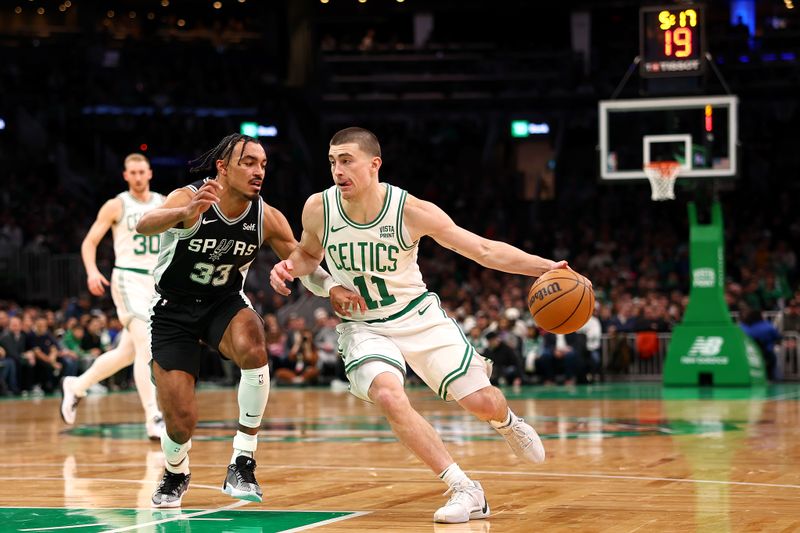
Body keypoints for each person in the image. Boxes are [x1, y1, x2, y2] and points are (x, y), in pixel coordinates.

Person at [270, 127, 576, 524]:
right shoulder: (318, 208)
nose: (337, 170)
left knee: (483, 402)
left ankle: (508, 422)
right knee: (389, 395)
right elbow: (308, 256)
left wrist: (545, 267)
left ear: (374, 164)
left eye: (346, 160)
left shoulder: (409, 210)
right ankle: (465, 488)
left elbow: (482, 250)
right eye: (332, 161)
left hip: (418, 317)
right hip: (364, 326)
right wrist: (309, 277)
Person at [135, 133, 359, 508]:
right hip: (173, 311)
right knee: (180, 420)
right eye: (249, 163)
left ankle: (243, 458)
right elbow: (144, 224)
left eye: (263, 165)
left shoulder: (266, 217)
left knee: (254, 336)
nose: (259, 172)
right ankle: (176, 470)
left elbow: (303, 260)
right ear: (222, 168)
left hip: (223, 303)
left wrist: (332, 287)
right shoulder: (188, 197)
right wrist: (182, 215)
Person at [60, 153, 167, 440]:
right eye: (132, 172)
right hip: (127, 278)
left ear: (150, 173)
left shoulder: (163, 202)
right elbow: (90, 241)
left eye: (142, 172)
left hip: (156, 281)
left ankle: (76, 385)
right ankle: (153, 416)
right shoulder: (117, 205)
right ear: (125, 175)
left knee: (127, 353)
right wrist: (92, 271)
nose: (137, 177)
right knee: (147, 341)